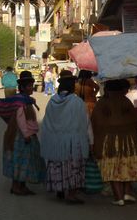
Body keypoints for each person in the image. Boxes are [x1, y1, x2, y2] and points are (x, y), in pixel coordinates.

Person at [91, 79, 137, 206]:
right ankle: (126, 193)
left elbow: (96, 123)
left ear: (107, 90)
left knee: (112, 168)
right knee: (127, 166)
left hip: (109, 142)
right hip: (128, 142)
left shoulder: (103, 103)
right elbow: (135, 121)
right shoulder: (125, 101)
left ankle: (119, 198)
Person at [40, 70, 92, 204]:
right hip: (73, 143)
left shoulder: (52, 101)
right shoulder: (77, 102)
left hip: (55, 142)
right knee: (73, 166)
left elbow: (47, 121)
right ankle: (71, 194)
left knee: (58, 165)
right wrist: (90, 140)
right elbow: (85, 123)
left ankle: (60, 189)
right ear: (71, 86)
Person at [3, 71, 45, 196]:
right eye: (29, 86)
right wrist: (26, 135)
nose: (31, 88)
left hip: (22, 134)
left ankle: (21, 186)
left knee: (22, 161)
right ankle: (16, 187)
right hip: (21, 136)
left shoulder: (25, 100)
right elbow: (20, 120)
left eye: (31, 85)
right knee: (20, 161)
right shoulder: (21, 102)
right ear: (22, 87)